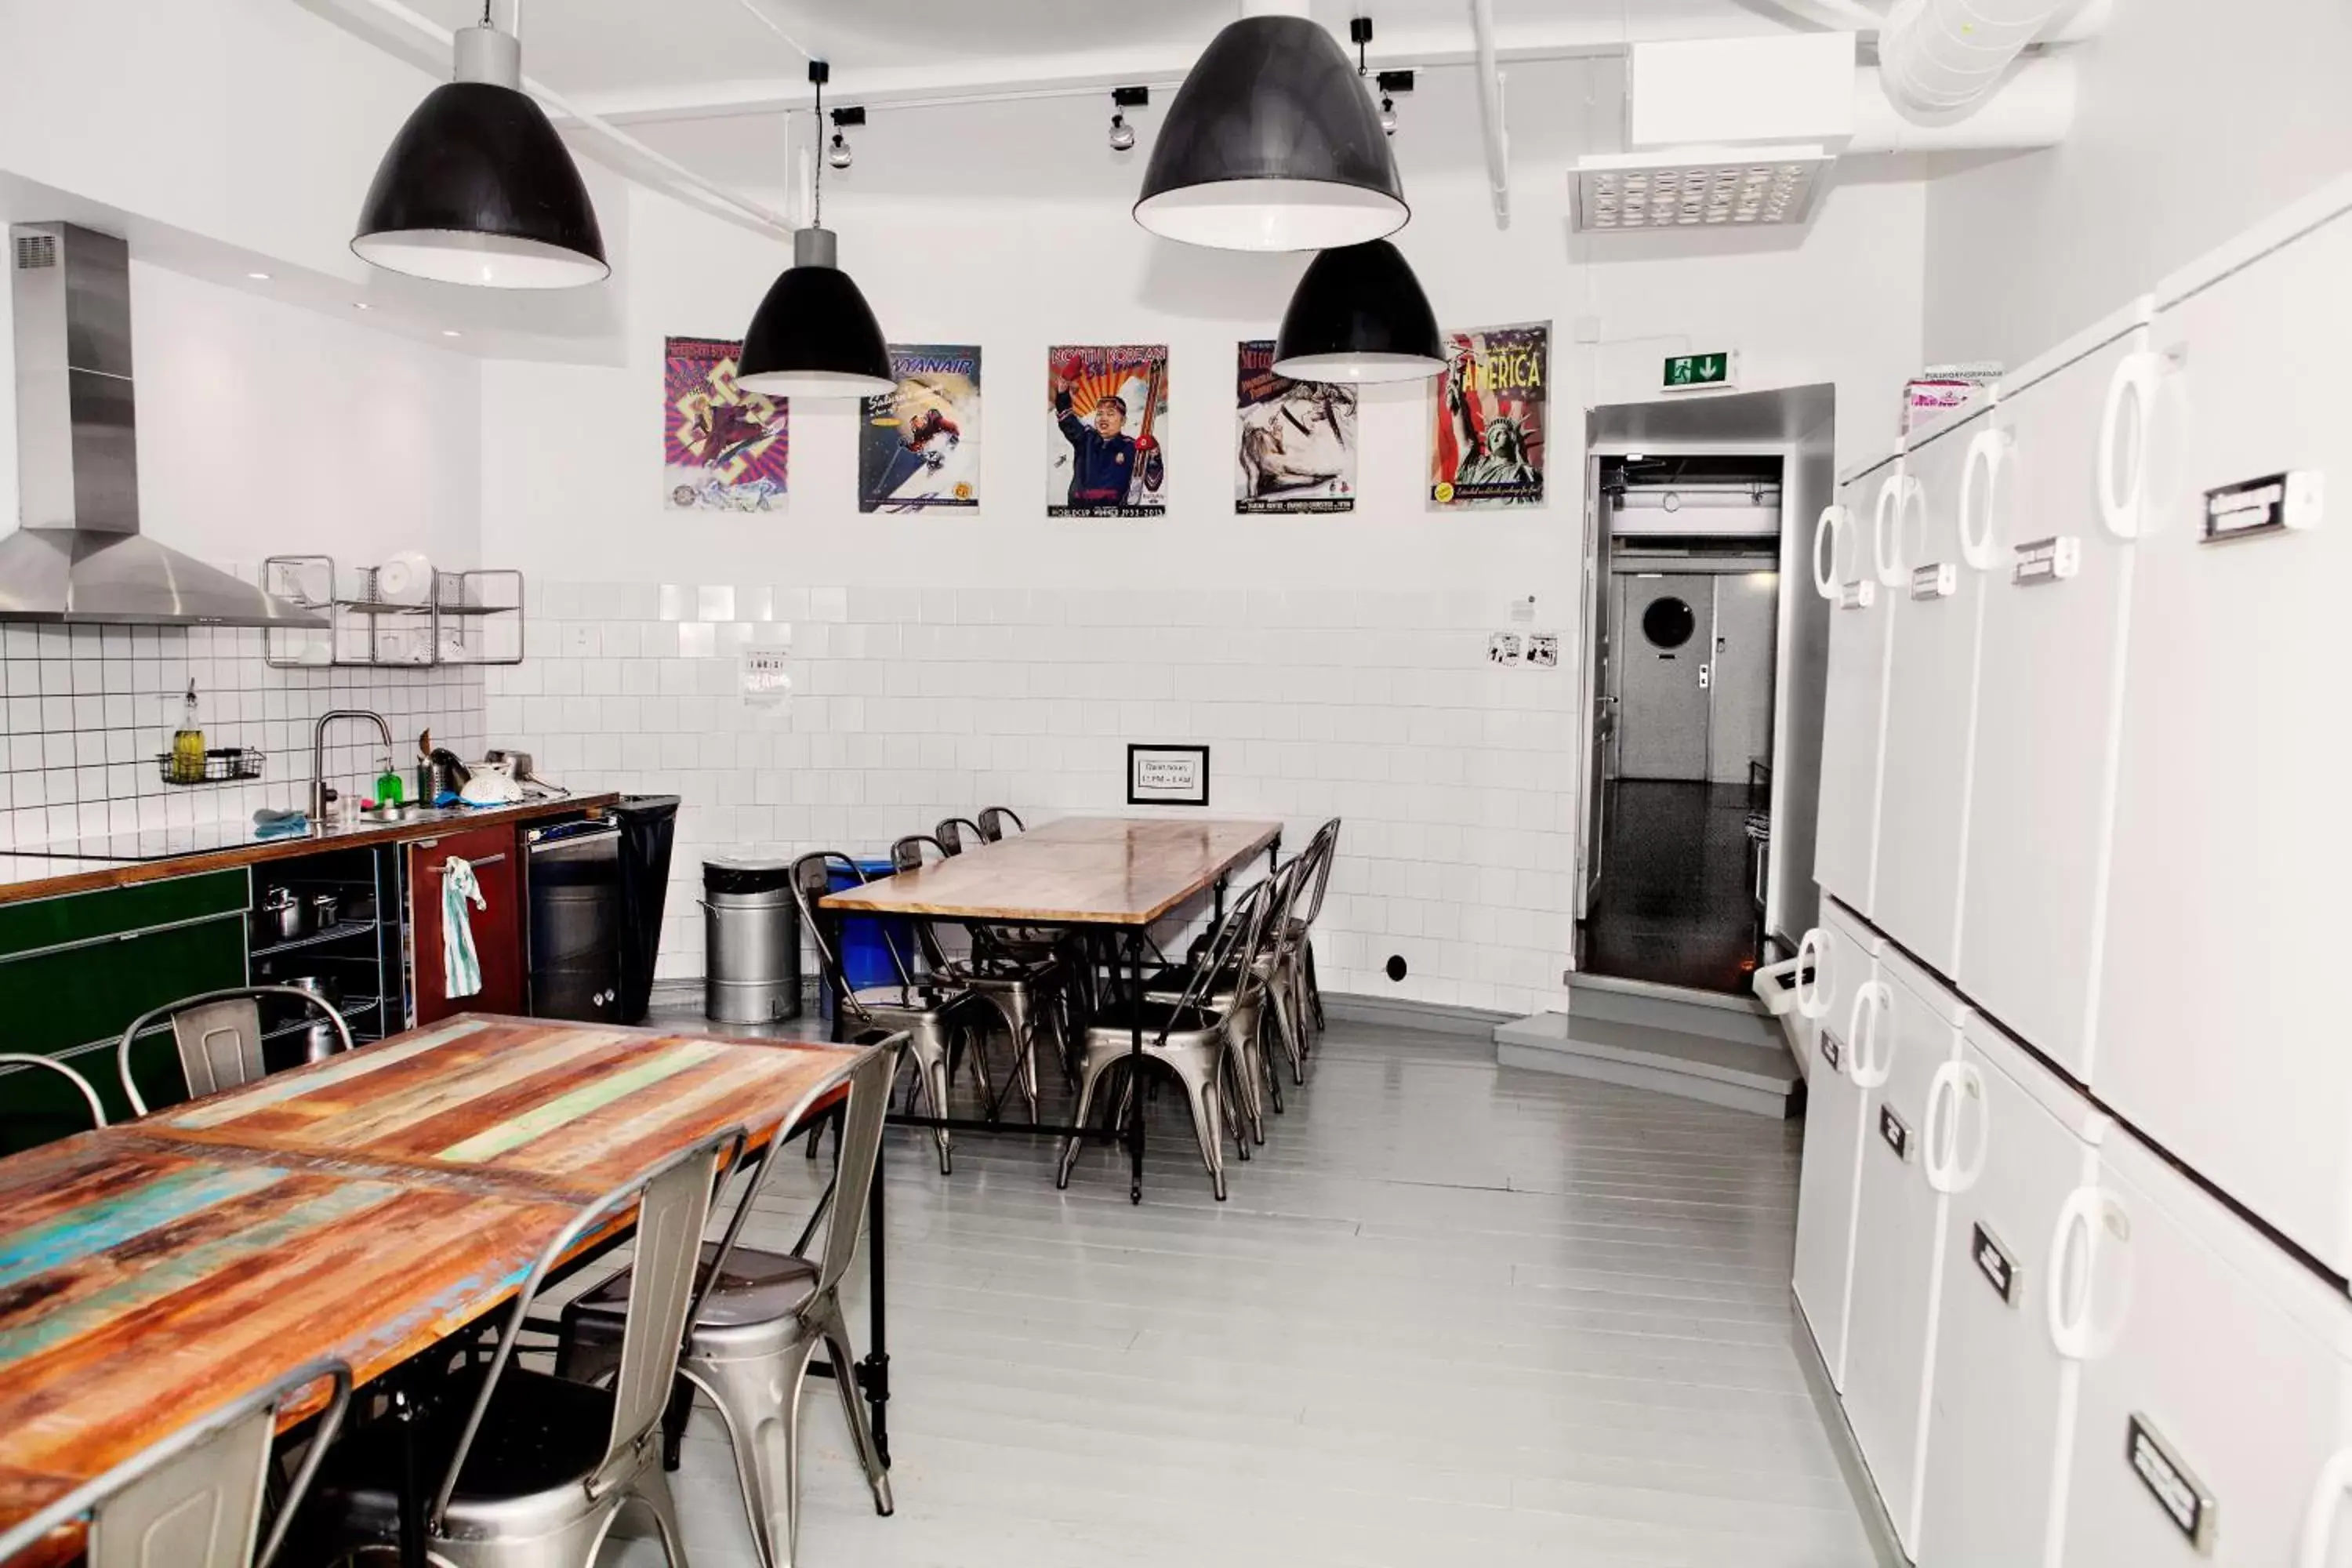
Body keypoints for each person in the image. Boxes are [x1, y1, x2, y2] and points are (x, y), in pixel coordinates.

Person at [1053, 372, 1138, 509]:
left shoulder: (1132, 447)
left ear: (1123, 421)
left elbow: (1152, 482)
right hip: (1077, 512)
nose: (1103, 418)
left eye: (1110, 414)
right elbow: (1067, 419)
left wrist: (1154, 455)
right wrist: (1063, 394)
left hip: (1113, 516)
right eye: (1099, 413)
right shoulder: (1086, 437)